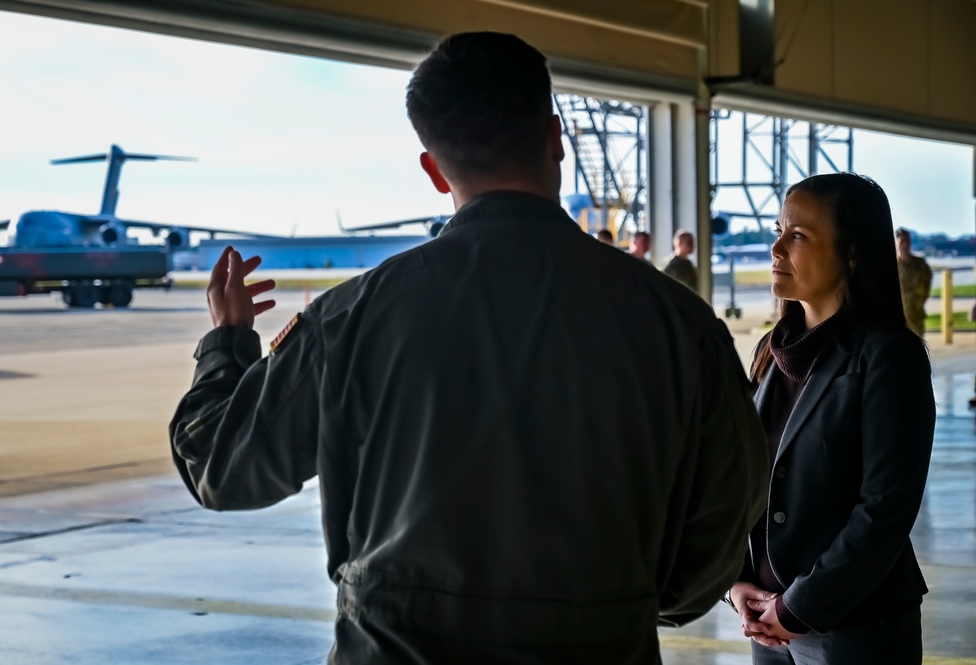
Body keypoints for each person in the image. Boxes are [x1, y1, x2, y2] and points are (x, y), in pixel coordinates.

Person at [170, 32, 768, 664]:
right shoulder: (677, 322)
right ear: (555, 138)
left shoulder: (352, 317)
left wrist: (227, 346)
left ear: (433, 169)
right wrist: (631, 600)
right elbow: (728, 506)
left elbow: (220, 468)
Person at [729, 173, 935, 664]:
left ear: (853, 253)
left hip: (854, 627)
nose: (777, 248)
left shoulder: (888, 357)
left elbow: (884, 508)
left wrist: (800, 607)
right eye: (779, 230)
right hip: (767, 621)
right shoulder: (770, 351)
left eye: (797, 235)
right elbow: (743, 481)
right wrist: (736, 579)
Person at [895, 227, 932, 337]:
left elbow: (926, 287)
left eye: (907, 241)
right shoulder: (889, 265)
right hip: (896, 319)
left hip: (916, 317)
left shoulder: (920, 265)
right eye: (902, 242)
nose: (905, 245)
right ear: (896, 243)